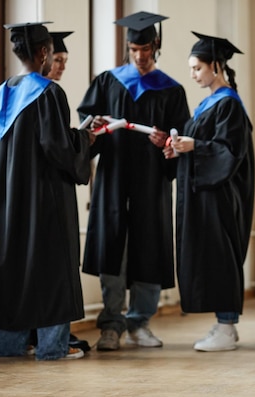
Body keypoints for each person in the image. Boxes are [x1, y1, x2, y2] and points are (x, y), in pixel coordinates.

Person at [77, 11, 190, 351]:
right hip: (112, 175)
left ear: (156, 45)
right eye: (134, 49)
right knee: (113, 244)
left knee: (149, 244)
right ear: (127, 47)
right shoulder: (108, 81)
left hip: (151, 179)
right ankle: (111, 324)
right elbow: (86, 124)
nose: (140, 56)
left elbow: (180, 138)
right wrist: (94, 127)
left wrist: (167, 143)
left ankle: (140, 322)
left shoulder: (171, 89)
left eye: (146, 49)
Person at [0, 22, 94, 360]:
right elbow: (59, 149)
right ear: (44, 52)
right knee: (52, 270)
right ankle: (51, 348)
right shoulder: (48, 93)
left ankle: (9, 346)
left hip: (6, 206)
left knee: (17, 271)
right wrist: (85, 139)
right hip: (44, 203)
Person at [163, 32, 255, 351]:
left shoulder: (228, 103)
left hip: (219, 197)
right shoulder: (208, 103)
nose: (193, 74)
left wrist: (196, 145)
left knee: (220, 255)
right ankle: (223, 323)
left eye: (198, 68)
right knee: (209, 255)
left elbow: (229, 151)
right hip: (203, 196)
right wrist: (180, 149)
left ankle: (227, 327)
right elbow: (203, 144)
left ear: (216, 66)